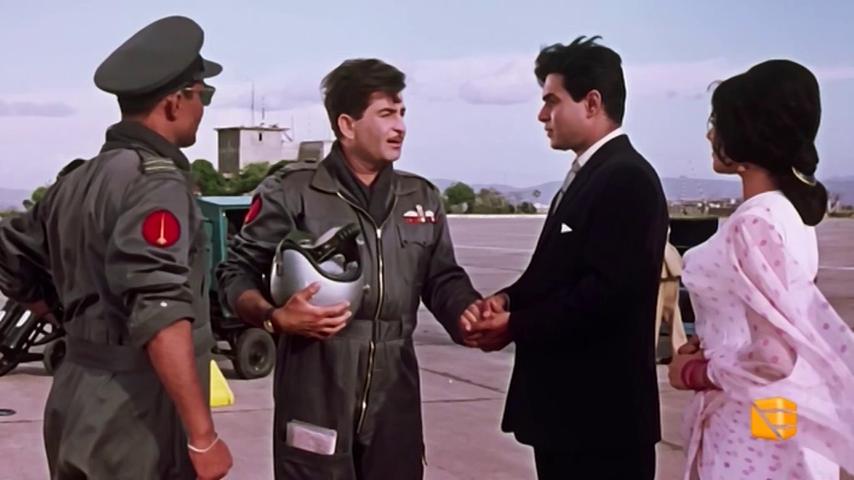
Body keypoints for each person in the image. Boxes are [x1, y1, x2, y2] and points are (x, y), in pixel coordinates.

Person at [216, 58, 481, 479]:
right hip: (315, 384)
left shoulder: (420, 198)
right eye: (386, 113)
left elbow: (442, 277)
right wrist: (273, 318)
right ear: (347, 125)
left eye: (402, 113)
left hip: (395, 393)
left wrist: (468, 312)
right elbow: (236, 274)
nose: (400, 126)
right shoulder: (293, 192)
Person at [0, 16, 232, 480]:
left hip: (75, 394)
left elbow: (10, 259)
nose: (203, 108)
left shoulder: (76, 181)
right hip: (135, 411)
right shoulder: (156, 184)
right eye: (202, 95)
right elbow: (161, 310)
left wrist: (63, 315)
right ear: (174, 102)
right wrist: (202, 435)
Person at [464, 36, 668, 479]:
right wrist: (508, 299)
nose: (542, 115)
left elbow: (608, 293)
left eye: (552, 101)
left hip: (600, 426)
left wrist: (516, 325)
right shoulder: (590, 174)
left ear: (592, 103)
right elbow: (557, 273)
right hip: (570, 421)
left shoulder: (626, 178)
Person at [668, 59, 854, 480]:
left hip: (750, 424)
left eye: (716, 122)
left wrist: (696, 372)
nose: (710, 134)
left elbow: (774, 355)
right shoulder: (789, 216)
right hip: (776, 416)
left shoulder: (754, 223)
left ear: (747, 132)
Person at [655, 234, 688, 362]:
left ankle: (679, 351)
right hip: (667, 263)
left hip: (659, 262)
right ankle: (680, 352)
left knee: (657, 315)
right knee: (673, 315)